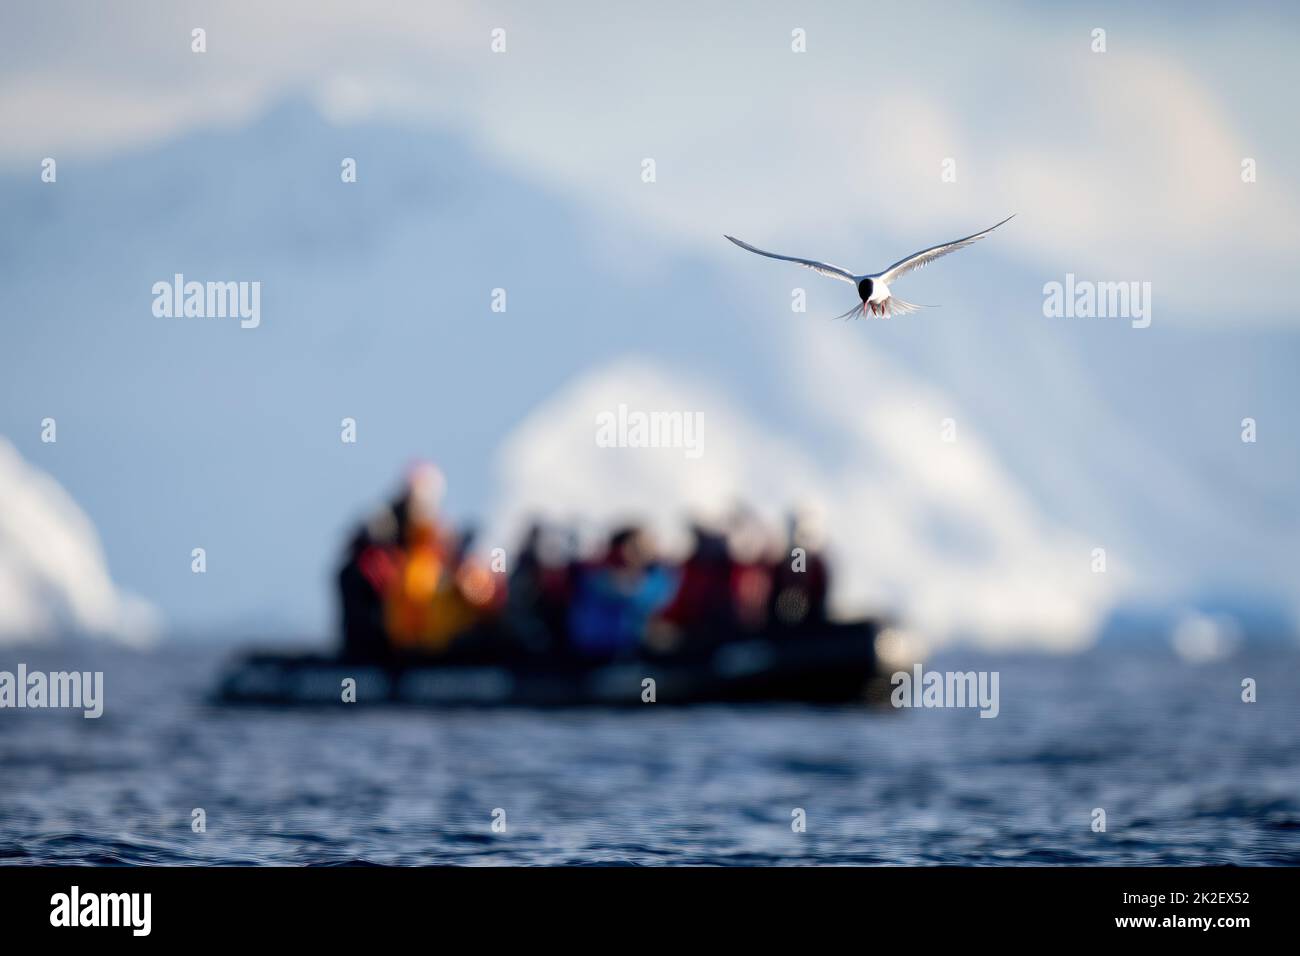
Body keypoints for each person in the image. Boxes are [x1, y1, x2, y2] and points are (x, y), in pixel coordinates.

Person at [567, 526, 678, 658]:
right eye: (635, 547)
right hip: (595, 649)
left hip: (626, 648)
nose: (642, 553)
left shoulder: (657, 576)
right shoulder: (597, 574)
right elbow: (632, 597)